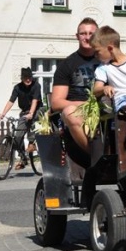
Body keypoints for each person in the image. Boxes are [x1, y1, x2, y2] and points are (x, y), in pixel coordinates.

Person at [50, 17, 100, 153]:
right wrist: (85, 105)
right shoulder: (66, 65)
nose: (87, 37)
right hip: (78, 113)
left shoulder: (106, 60)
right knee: (69, 112)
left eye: (91, 34)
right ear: (77, 36)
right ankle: (95, 156)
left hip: (106, 109)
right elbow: (56, 102)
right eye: (83, 33)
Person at [91, 26, 126, 130]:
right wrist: (104, 88)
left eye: (97, 51)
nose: (95, 55)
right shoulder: (103, 68)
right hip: (122, 101)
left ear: (110, 48)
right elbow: (95, 90)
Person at [0, 67, 42, 169]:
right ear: (22, 78)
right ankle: (23, 159)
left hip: (37, 110)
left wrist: (31, 113)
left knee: (34, 118)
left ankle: (32, 143)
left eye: (30, 77)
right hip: (24, 112)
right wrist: (3, 113)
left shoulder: (36, 85)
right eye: (26, 78)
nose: (28, 80)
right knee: (17, 137)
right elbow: (11, 101)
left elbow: (35, 101)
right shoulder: (17, 88)